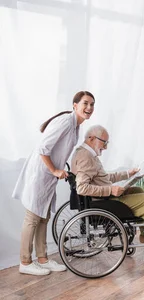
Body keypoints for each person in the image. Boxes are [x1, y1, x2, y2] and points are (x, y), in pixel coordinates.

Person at [12, 91, 95, 276]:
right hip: (41, 173)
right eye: (85, 103)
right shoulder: (66, 121)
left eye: (92, 104)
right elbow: (43, 148)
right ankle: (25, 261)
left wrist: (64, 169)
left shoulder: (76, 126)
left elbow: (61, 151)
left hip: (49, 176)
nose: (89, 108)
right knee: (32, 217)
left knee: (43, 216)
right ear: (75, 105)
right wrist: (54, 170)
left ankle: (42, 259)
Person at [70, 125, 144, 256]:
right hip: (102, 202)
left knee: (138, 190)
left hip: (103, 199)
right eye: (104, 142)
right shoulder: (85, 156)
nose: (105, 147)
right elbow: (82, 188)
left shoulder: (88, 153)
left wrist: (128, 173)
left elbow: (104, 178)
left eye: (107, 143)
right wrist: (110, 190)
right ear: (91, 138)